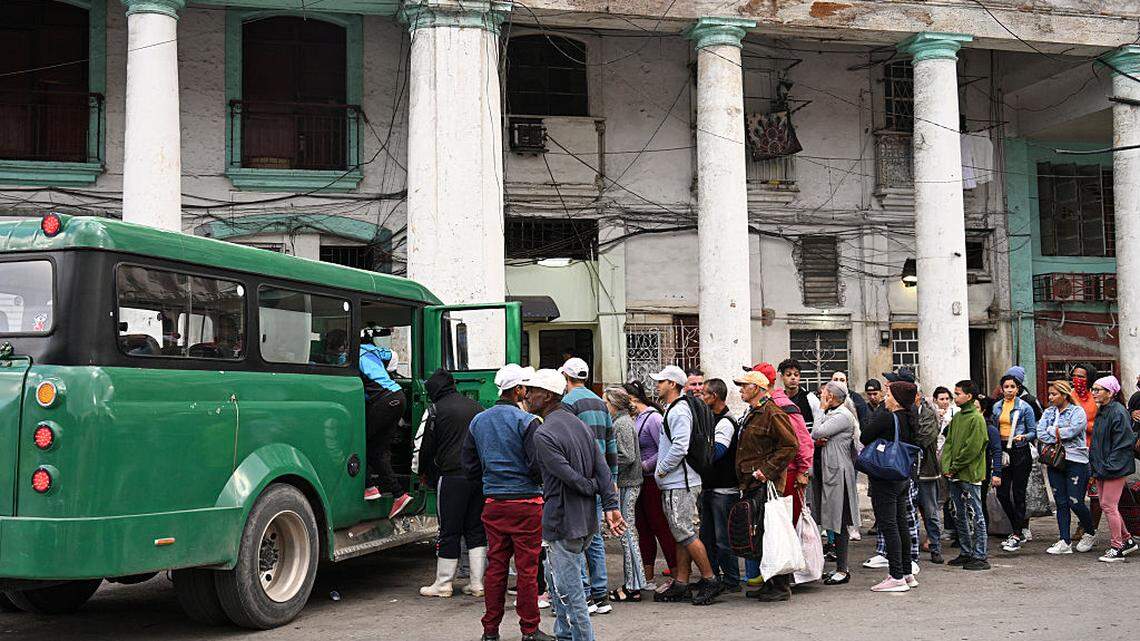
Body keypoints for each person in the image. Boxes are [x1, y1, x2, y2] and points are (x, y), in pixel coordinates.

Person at [528, 369, 624, 641]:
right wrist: (608, 502)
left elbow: (571, 478)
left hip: (563, 522)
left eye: (533, 391)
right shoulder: (578, 424)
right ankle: (565, 635)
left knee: (572, 595)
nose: (528, 395)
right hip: (584, 521)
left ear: (547, 396)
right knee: (560, 587)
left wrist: (597, 491)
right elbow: (602, 467)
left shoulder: (544, 433)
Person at [462, 364, 552, 641]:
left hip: (494, 502)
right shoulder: (527, 422)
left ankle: (490, 631)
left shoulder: (479, 421)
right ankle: (529, 629)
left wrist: (491, 480)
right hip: (525, 502)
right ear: (518, 390)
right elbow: (536, 465)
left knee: (496, 566)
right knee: (527, 569)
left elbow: (469, 465)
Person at [650, 365, 720, 606]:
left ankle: (710, 579)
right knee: (682, 532)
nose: (657, 385)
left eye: (661, 381)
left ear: (672, 384)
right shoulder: (675, 408)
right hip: (679, 481)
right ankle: (681, 582)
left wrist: (662, 469)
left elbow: (681, 446)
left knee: (686, 532)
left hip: (681, 482)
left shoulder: (678, 411)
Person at [742, 362, 814, 587]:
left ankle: (782, 577)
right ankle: (770, 575)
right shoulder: (760, 406)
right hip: (772, 474)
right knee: (766, 527)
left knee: (780, 527)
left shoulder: (781, 406)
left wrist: (804, 470)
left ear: (761, 384)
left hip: (786, 474)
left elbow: (800, 441)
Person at [419, 368, 488, 598]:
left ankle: (444, 584)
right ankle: (477, 583)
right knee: (476, 528)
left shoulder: (436, 410)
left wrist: (424, 474)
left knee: (449, 530)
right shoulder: (477, 408)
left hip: (450, 478)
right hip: (477, 478)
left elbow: (423, 447)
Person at [732, 370, 799, 601]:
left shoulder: (772, 412)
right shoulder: (754, 411)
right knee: (759, 533)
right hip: (751, 481)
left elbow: (790, 446)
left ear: (757, 389)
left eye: (745, 385)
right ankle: (770, 583)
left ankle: (780, 587)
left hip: (765, 483)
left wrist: (766, 471)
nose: (741, 389)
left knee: (770, 533)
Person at [558, 358, 616, 614]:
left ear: (565, 377)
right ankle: (601, 593)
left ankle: (584, 594)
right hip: (601, 478)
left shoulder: (568, 403)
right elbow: (610, 444)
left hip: (580, 479)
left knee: (577, 535)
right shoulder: (600, 402)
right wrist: (610, 480)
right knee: (594, 537)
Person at [861, 381, 919, 592]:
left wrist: (880, 414)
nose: (885, 396)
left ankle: (896, 576)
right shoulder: (911, 418)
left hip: (885, 477)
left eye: (888, 393)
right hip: (902, 475)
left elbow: (865, 435)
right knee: (900, 523)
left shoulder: (888, 417)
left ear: (896, 398)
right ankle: (906, 572)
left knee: (889, 525)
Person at [622, 381, 677, 587]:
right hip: (638, 482)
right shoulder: (633, 419)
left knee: (660, 526)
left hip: (652, 480)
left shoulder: (653, 418)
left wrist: (644, 465)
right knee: (642, 528)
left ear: (632, 399)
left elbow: (663, 448)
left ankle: (676, 573)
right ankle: (648, 575)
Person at [1036, 380, 1095, 554]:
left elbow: (1073, 431)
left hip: (1076, 460)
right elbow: (1040, 432)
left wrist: (1052, 431)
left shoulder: (1077, 412)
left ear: (1064, 395)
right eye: (1050, 394)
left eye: (1054, 394)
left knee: (1075, 501)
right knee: (1060, 501)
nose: (1051, 397)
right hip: (1054, 460)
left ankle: (1090, 531)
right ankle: (1064, 540)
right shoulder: (1048, 412)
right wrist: (1057, 433)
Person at [812, 381, 861, 585]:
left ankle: (843, 569)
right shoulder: (836, 413)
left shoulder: (842, 415)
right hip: (831, 470)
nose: (821, 397)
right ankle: (840, 567)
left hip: (838, 472)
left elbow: (816, 432)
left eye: (823, 394)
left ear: (831, 397)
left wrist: (820, 411)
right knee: (833, 520)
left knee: (839, 520)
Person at [360, 324, 411, 515]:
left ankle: (369, 487)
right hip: (398, 395)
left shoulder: (347, 356)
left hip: (383, 399)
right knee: (378, 450)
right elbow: (394, 356)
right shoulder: (371, 350)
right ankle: (399, 495)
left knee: (360, 443)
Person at [602, 387, 647, 602]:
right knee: (627, 532)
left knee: (626, 532)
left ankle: (633, 584)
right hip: (628, 482)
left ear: (614, 404)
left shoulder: (621, 424)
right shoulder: (622, 422)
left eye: (606, 402)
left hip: (628, 483)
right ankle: (635, 582)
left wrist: (604, 462)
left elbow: (627, 456)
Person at [1088, 376, 1139, 562]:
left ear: (1110, 393)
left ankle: (1117, 547)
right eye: (1093, 389)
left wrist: (1109, 466)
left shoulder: (1117, 412)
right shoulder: (1103, 410)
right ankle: (1127, 540)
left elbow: (1123, 443)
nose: (1094, 392)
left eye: (1098, 389)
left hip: (1114, 468)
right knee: (1106, 505)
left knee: (1109, 506)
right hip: (1103, 467)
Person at [697, 378, 741, 593]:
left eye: (704, 393)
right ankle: (712, 578)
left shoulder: (725, 421)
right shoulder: (710, 418)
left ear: (714, 397)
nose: (701, 396)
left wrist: (695, 454)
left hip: (724, 489)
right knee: (707, 538)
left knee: (723, 540)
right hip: (709, 487)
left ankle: (732, 579)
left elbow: (717, 452)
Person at [941, 380, 991, 571]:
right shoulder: (958, 418)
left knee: (975, 514)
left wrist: (954, 466)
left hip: (970, 475)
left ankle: (980, 554)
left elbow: (973, 448)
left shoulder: (976, 419)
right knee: (958, 513)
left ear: (969, 396)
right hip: (954, 474)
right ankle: (966, 551)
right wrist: (947, 466)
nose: (955, 397)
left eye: (958, 393)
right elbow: (949, 444)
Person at [991, 374, 1038, 553]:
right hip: (1002, 449)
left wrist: (1023, 437)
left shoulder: (1025, 407)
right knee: (1002, 492)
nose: (1009, 390)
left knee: (1019, 492)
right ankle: (1015, 527)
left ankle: (1017, 533)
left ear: (1018, 388)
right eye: (1006, 387)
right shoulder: (997, 406)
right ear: (1001, 389)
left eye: (1012, 386)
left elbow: (1033, 431)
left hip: (1019, 449)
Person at [1071, 364, 1102, 547]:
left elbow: (1101, 424)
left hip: (1094, 452)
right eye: (1075, 376)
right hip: (1073, 452)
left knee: (1095, 495)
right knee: (1075, 494)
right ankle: (1083, 523)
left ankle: (1092, 529)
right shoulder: (1069, 395)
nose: (1078, 380)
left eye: (1082, 376)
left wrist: (1085, 426)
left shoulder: (1096, 397)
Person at [913, 384, 944, 564]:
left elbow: (924, 438)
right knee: (910, 512)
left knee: (930, 511)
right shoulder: (904, 412)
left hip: (926, 469)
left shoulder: (927, 413)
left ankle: (935, 546)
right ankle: (913, 549)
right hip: (909, 470)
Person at [778, 359, 814, 428]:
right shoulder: (778, 400)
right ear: (782, 377)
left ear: (799, 377)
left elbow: (819, 420)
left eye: (796, 375)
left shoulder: (809, 397)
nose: (793, 378)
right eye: (788, 375)